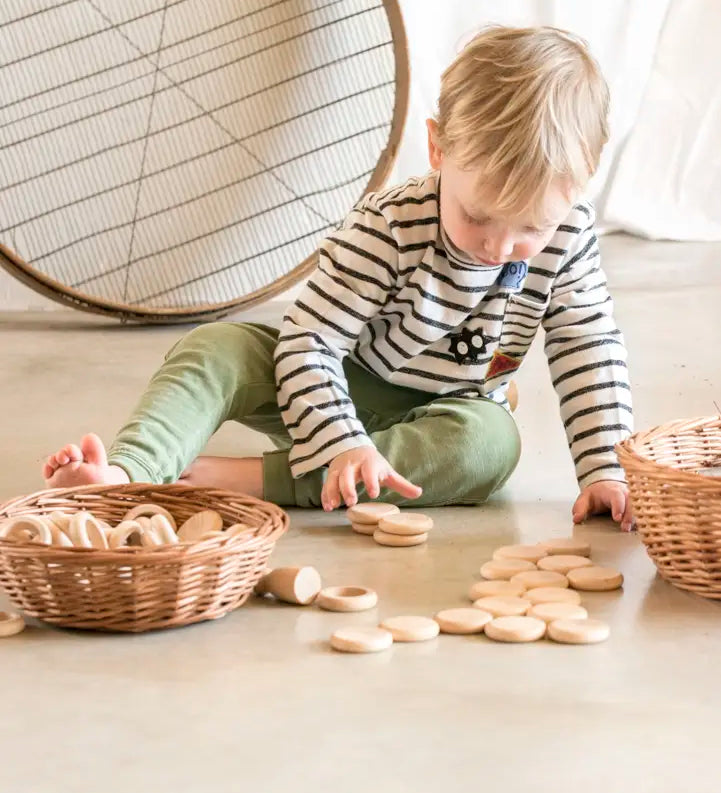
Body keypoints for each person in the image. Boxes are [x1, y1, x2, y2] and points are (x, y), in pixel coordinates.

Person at [43, 26, 635, 531]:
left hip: (448, 408)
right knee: (216, 348)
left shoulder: (569, 234)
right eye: (477, 216)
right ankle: (128, 475)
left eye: (529, 228)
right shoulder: (388, 225)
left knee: (491, 446)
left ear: (582, 185)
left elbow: (589, 347)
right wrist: (340, 440)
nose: (499, 247)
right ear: (436, 148)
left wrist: (607, 469)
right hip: (335, 377)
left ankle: (239, 479)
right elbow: (309, 343)